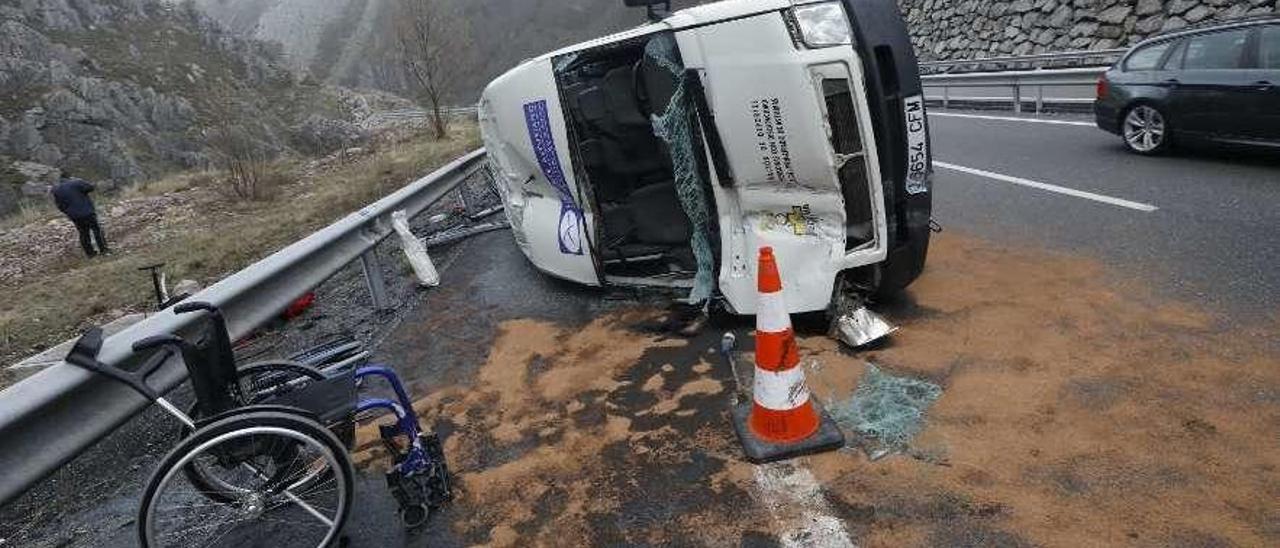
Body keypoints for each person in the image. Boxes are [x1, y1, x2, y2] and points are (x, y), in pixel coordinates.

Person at [52, 171, 109, 257]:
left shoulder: (57, 189)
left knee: (83, 233)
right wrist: (81, 181)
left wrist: (68, 213)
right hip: (87, 211)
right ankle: (103, 250)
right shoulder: (76, 182)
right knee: (96, 230)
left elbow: (60, 206)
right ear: (70, 177)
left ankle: (90, 254)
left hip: (75, 216)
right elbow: (90, 187)